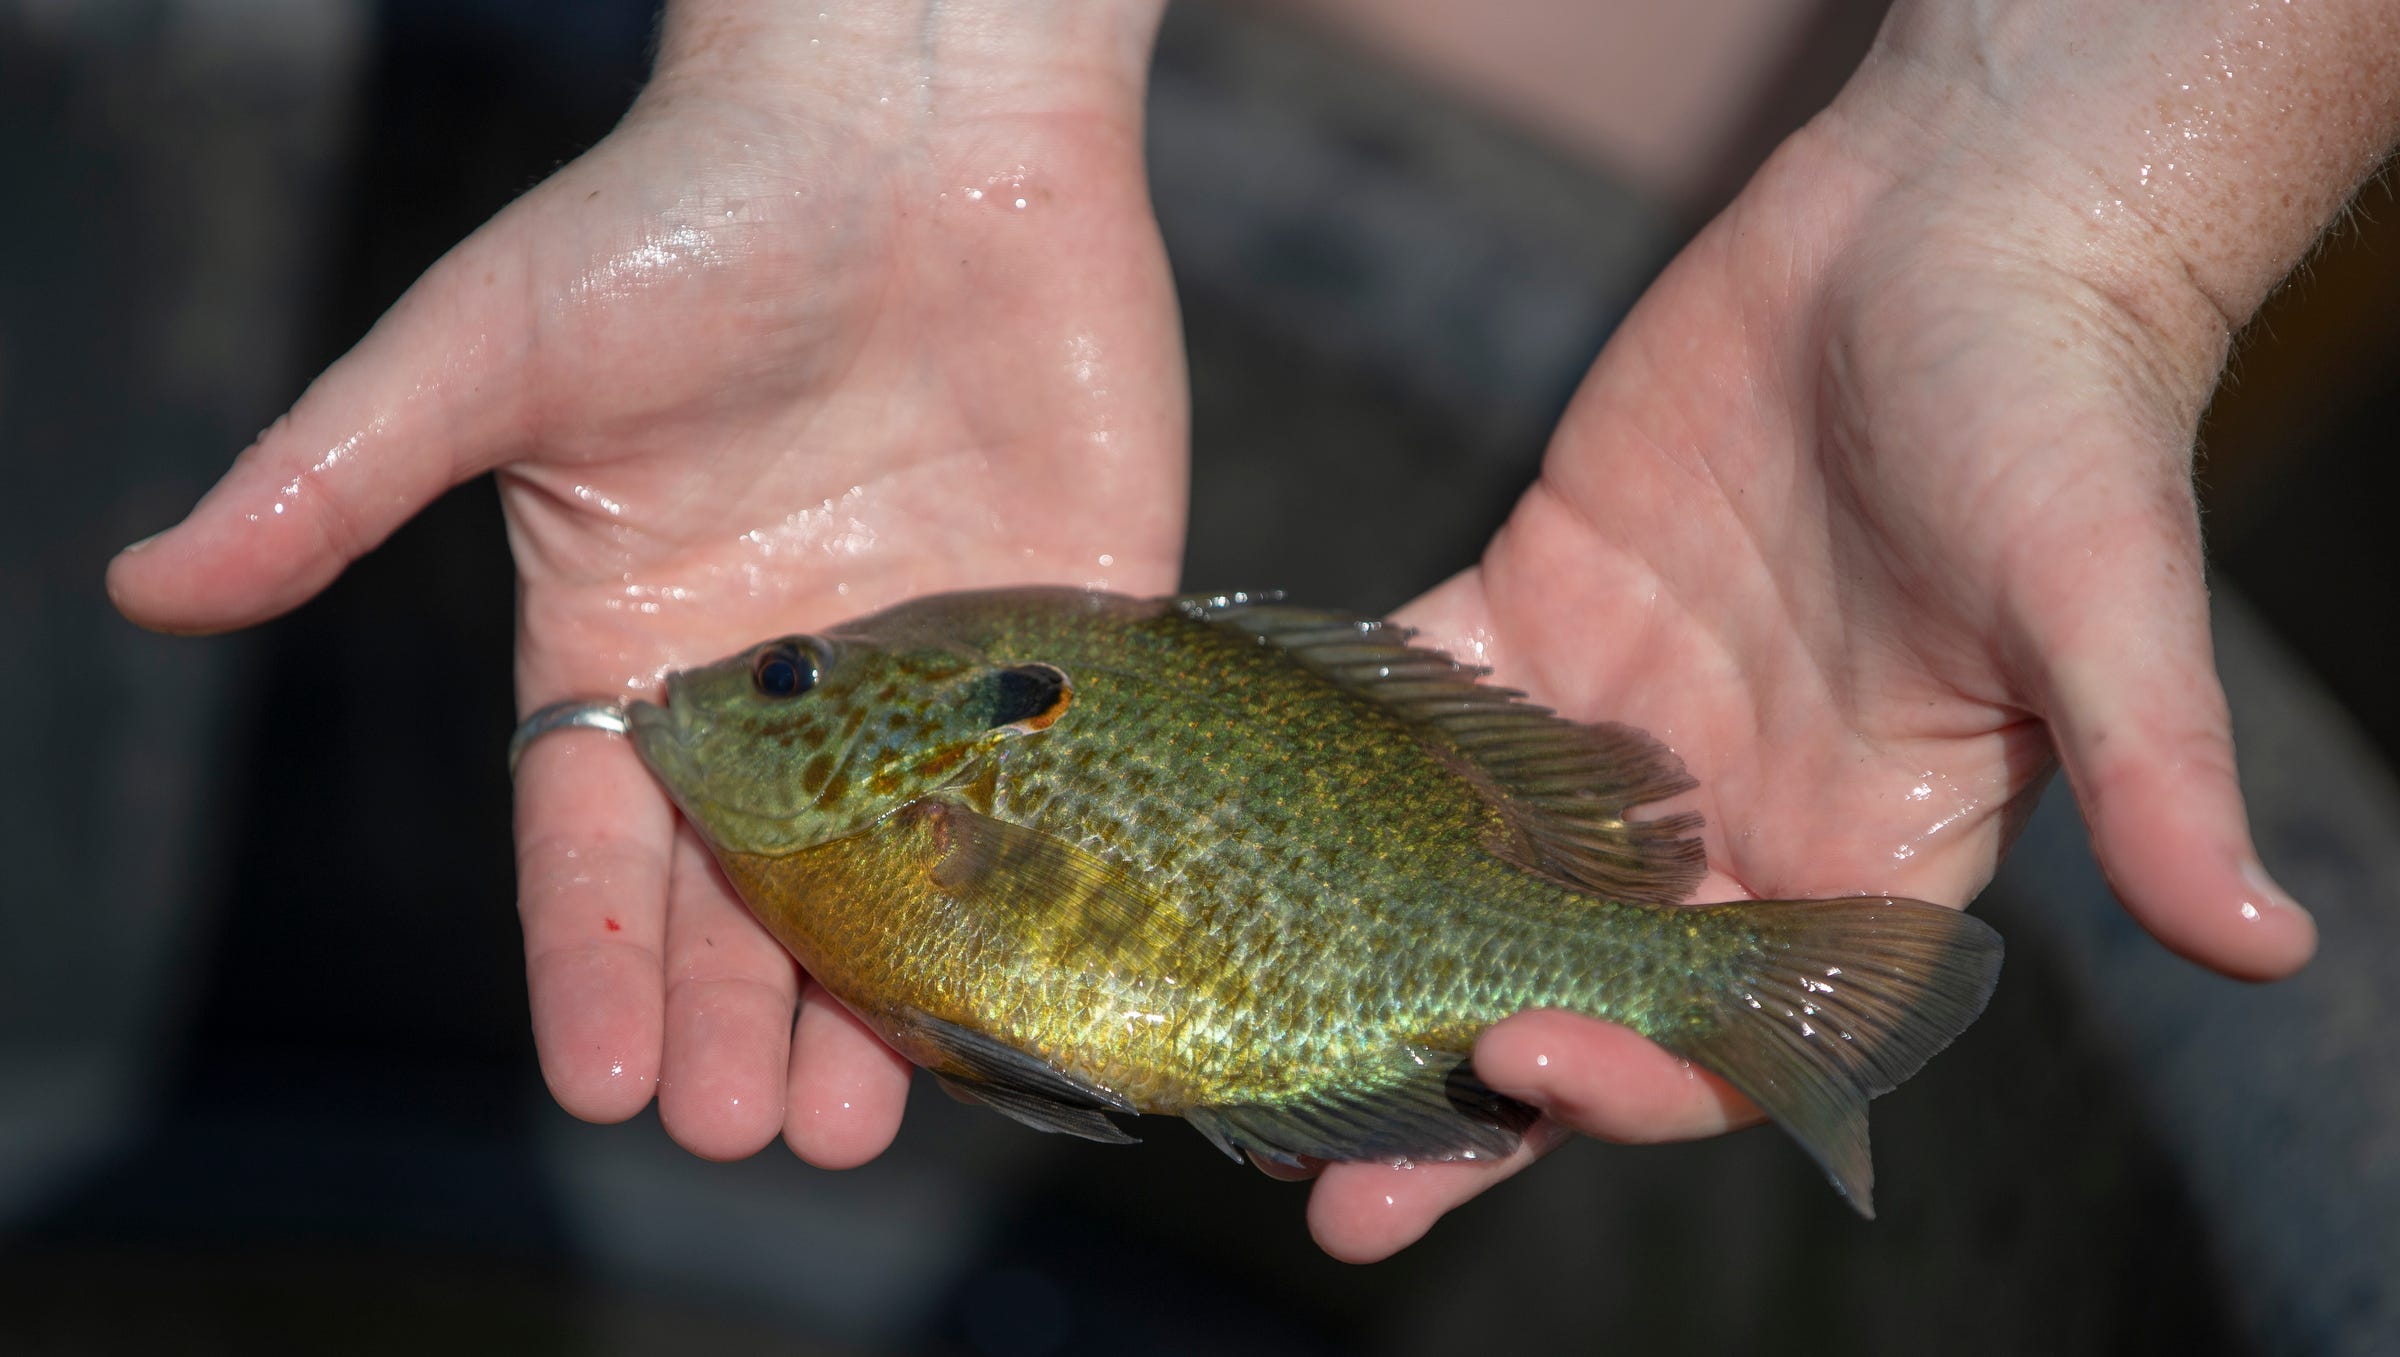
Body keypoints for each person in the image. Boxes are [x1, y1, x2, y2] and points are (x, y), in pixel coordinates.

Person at [106, 0, 2395, 1262]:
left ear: (913, 755)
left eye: (796, 679)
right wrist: (894, 54)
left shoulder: (921, 806)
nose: (730, 697)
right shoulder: (903, 790)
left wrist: (2087, 200)